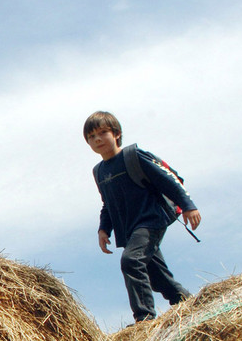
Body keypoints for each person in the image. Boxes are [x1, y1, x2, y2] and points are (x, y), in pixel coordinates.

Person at [85, 111, 201, 322]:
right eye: (91, 136)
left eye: (103, 132)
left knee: (131, 261)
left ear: (117, 134)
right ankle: (190, 304)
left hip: (151, 220)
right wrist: (103, 229)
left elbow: (168, 180)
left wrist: (188, 206)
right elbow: (107, 204)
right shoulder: (99, 171)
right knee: (158, 278)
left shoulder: (133, 156)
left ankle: (144, 318)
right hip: (129, 228)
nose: (98, 139)